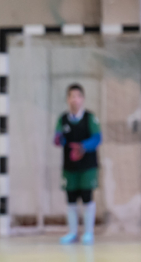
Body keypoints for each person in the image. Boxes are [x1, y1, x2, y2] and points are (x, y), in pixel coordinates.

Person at [54, 84, 102, 245]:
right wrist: (59, 139)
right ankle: (72, 232)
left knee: (87, 197)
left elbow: (97, 138)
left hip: (88, 166)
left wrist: (83, 147)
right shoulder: (63, 119)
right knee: (71, 199)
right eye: (72, 96)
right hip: (70, 167)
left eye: (78, 96)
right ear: (68, 99)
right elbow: (58, 138)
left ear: (83, 98)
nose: (75, 99)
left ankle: (88, 232)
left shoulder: (90, 118)